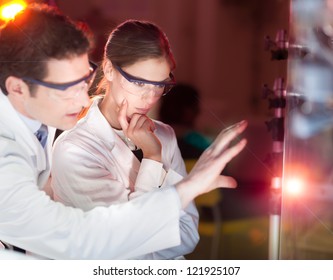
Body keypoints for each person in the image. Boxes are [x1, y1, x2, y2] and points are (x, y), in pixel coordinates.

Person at [0, 3, 247, 260]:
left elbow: (186, 236)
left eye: (85, 80)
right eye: (68, 87)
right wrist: (175, 178)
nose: (85, 100)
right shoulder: (54, 147)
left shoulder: (45, 121)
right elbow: (96, 244)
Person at [51, 20, 199, 260]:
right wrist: (152, 159)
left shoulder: (165, 136)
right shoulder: (75, 149)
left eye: (160, 84)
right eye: (139, 82)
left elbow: (188, 235)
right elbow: (125, 249)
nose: (149, 97)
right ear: (109, 69)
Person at [159, 83, 212, 159]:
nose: (198, 111)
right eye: (195, 107)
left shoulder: (151, 137)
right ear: (187, 110)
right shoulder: (199, 142)